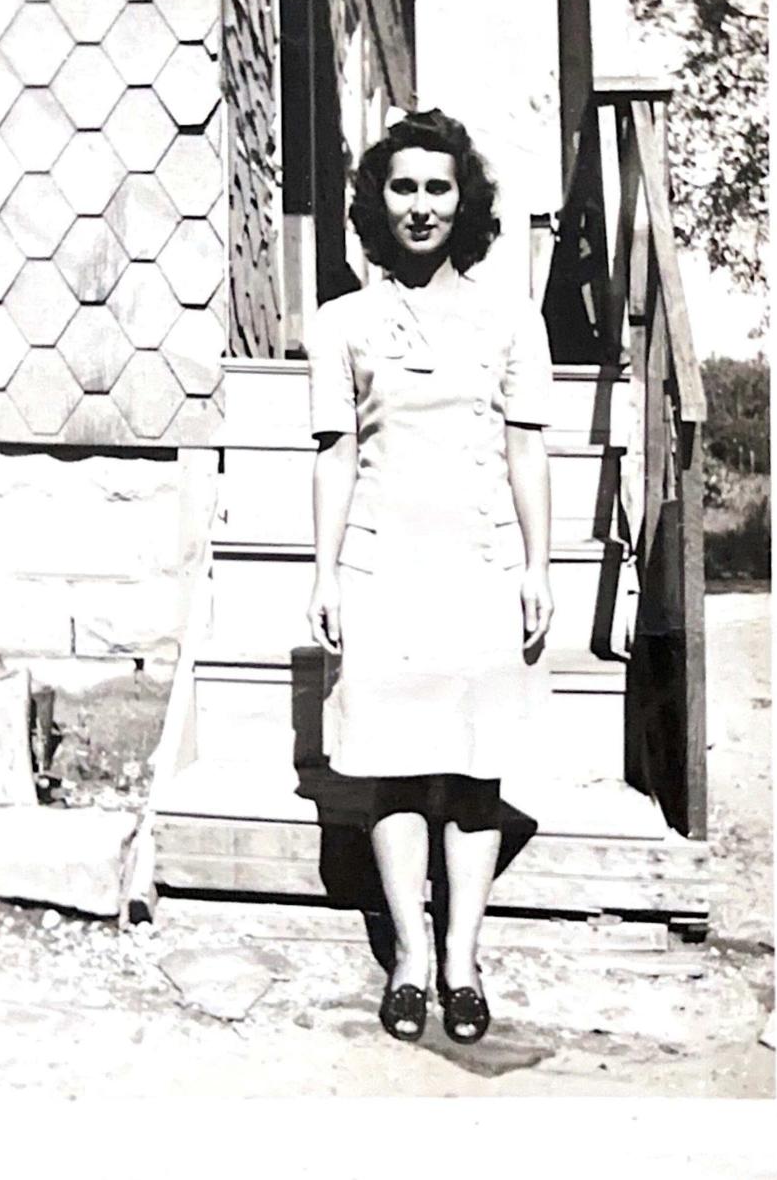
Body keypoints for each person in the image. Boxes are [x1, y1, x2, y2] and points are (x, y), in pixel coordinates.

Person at [305, 109, 554, 1044]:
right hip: (383, 565)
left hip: (481, 561)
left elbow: (526, 449)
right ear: (377, 202)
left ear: (466, 201)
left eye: (438, 188)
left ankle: (462, 956)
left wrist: (536, 563)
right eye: (402, 188)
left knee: (476, 769)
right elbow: (335, 456)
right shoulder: (343, 325)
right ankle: (409, 956)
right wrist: (325, 573)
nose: (420, 206)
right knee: (397, 770)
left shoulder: (509, 319)